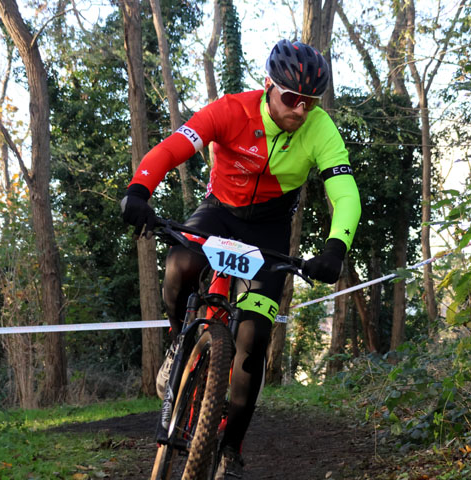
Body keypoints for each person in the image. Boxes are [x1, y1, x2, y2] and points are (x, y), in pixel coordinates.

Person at [121, 39, 361, 479]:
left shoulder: (320, 129)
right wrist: (140, 189)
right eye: (292, 99)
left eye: (310, 102)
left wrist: (336, 246)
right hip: (219, 212)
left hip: (268, 230)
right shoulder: (231, 109)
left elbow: (344, 193)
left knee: (252, 343)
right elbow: (175, 147)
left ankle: (230, 452)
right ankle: (179, 340)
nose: (301, 111)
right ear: (269, 86)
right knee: (180, 265)